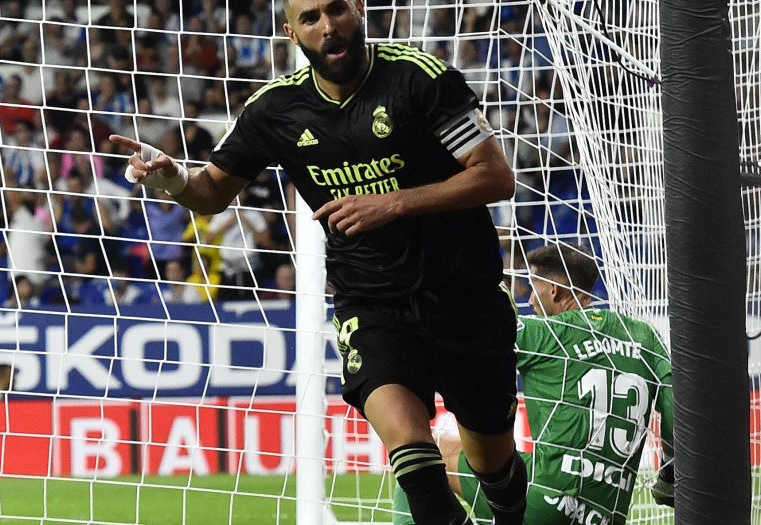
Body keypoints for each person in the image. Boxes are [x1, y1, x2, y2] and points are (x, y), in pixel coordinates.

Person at [108, 1, 524, 523]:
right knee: (415, 463)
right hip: (372, 305)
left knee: (493, 466)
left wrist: (393, 201)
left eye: (336, 10)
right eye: (311, 18)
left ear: (360, 10)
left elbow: (494, 176)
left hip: (465, 296)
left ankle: (508, 508)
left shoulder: (421, 80)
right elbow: (211, 192)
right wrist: (171, 178)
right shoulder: (275, 110)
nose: (328, 26)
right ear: (292, 33)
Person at [392, 244, 676, 525]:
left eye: (532, 287)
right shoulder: (644, 336)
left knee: (424, 454)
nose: (529, 301)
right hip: (609, 512)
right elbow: (677, 410)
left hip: (545, 500)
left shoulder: (546, 334)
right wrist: (668, 475)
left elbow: (467, 346)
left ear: (554, 290)